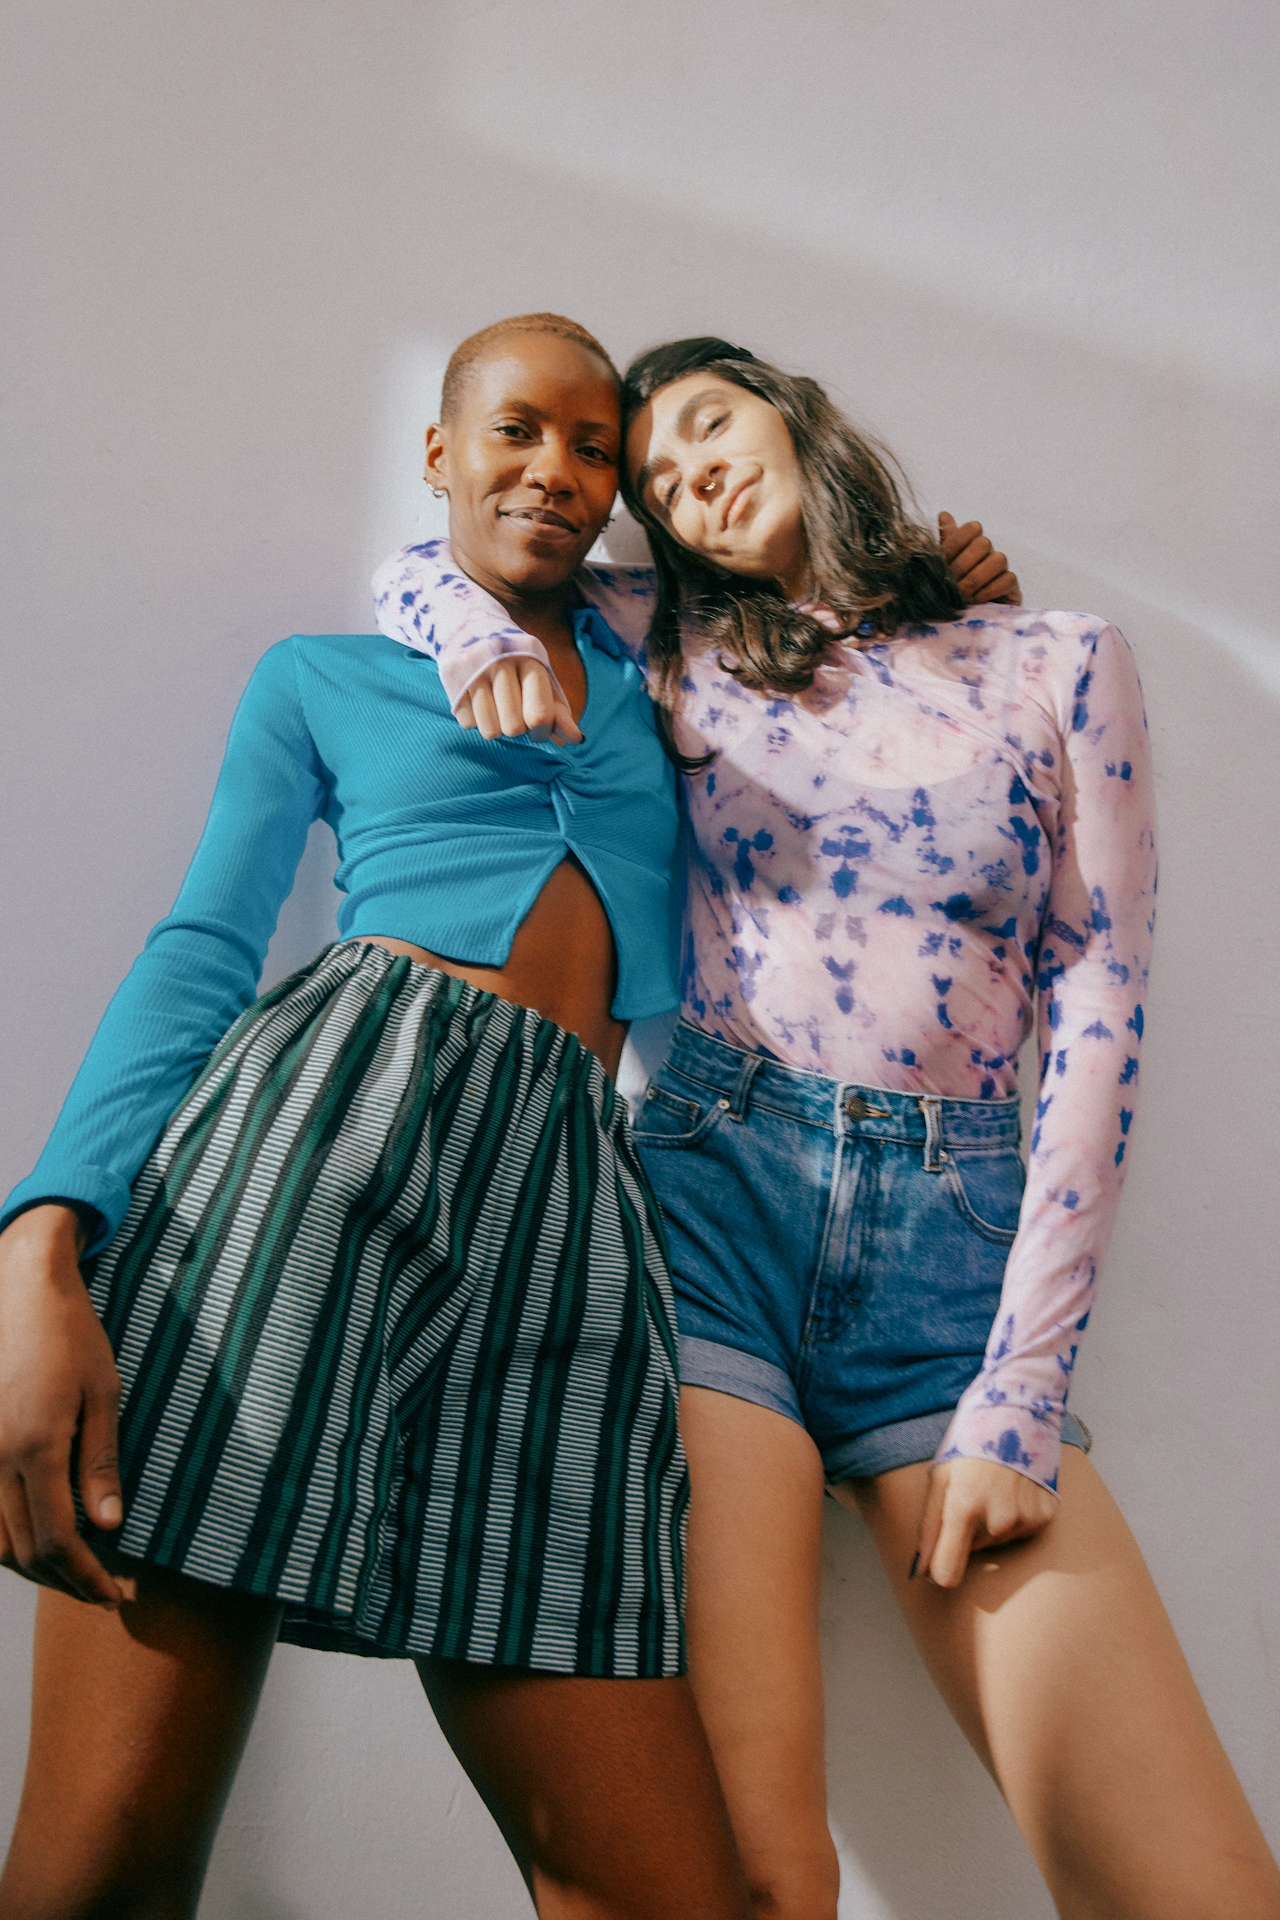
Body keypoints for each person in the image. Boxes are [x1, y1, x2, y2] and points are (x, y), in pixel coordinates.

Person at [384, 336, 1280, 1920]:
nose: (694, 475)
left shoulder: (1059, 659)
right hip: (709, 1217)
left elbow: (1100, 1016)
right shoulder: (661, 642)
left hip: (955, 1259)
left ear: (792, 417)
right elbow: (428, 569)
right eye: (660, 482)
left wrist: (1023, 1389)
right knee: (753, 1878)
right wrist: (467, 637)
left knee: (1196, 1889)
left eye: (710, 426)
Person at [0, 315, 760, 1920]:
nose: (555, 470)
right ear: (439, 453)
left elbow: (825, 625)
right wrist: (39, 1245)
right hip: (308, 1166)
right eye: (515, 430)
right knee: (102, 1873)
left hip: (568, 1219)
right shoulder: (327, 676)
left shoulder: (671, 691)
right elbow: (205, 944)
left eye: (594, 447)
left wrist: (943, 577)